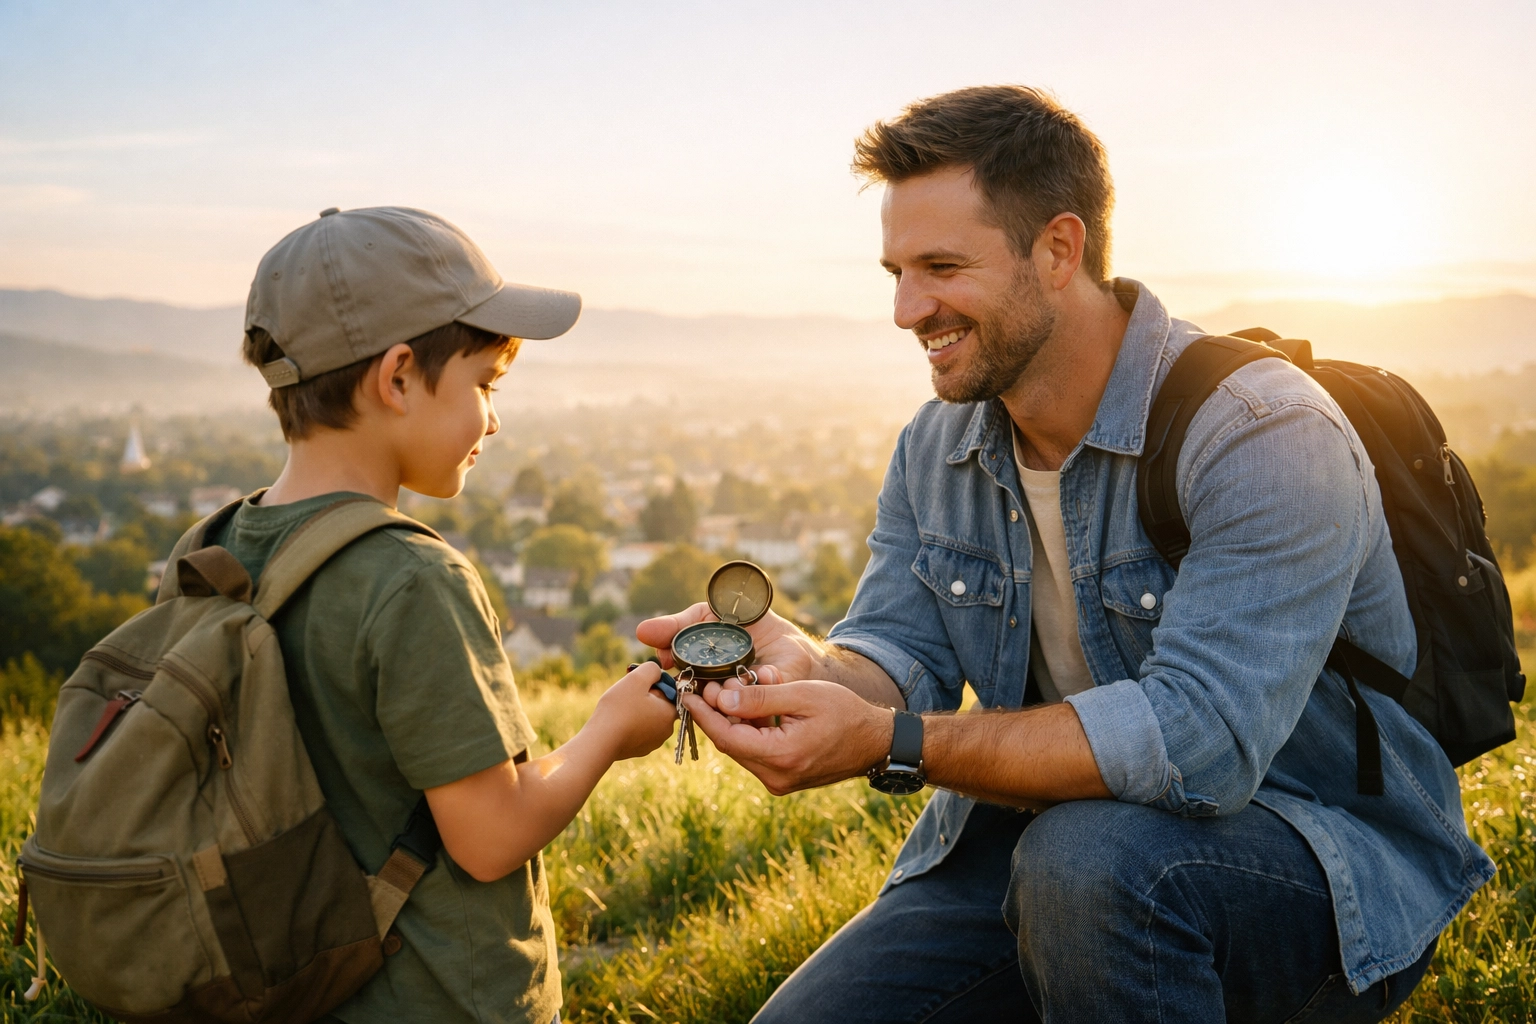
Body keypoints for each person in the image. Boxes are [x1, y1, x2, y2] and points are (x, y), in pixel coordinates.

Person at [639, 87, 1494, 1023]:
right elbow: (897, 658)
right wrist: (812, 671)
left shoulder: (1262, 432)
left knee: (1087, 863)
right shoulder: (939, 445)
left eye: (941, 267)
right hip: (1032, 847)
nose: (905, 309)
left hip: (1308, 851)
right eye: (894, 271)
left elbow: (1194, 745)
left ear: (1058, 249)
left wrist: (894, 743)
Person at [225, 206, 677, 1024]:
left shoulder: (216, 547)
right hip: (439, 997)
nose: (494, 418)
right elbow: (491, 836)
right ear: (397, 377)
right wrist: (610, 729)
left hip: (292, 990)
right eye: (484, 384)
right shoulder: (411, 578)